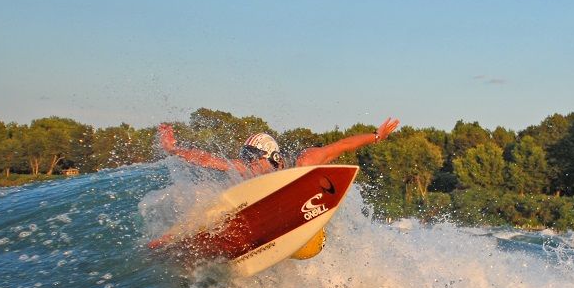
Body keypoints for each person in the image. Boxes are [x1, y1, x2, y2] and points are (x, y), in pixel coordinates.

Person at [157, 117, 400, 176]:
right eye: (248, 159)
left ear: (273, 156)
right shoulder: (252, 171)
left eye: (256, 159)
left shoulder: (305, 159)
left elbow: (343, 145)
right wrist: (174, 150)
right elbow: (209, 159)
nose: (251, 165)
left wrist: (376, 136)